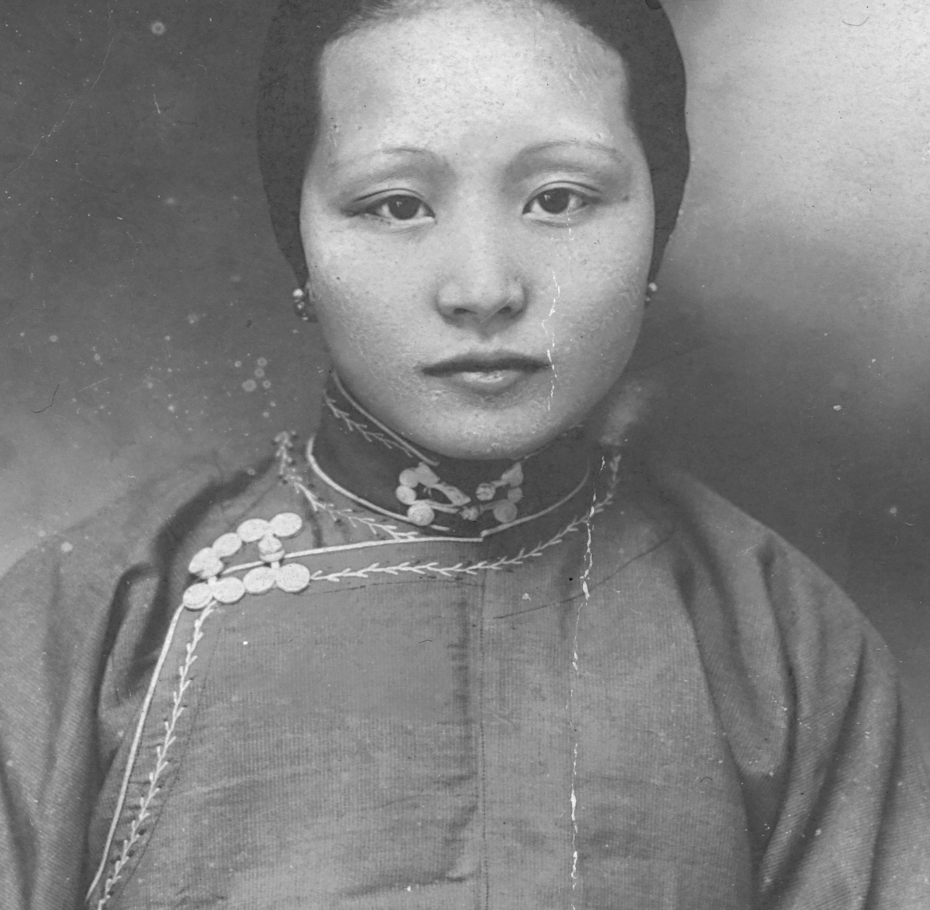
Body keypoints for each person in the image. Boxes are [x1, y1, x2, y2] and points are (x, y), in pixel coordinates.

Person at [1, 0, 927, 907]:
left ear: (660, 219)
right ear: (301, 244)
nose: (484, 287)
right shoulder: (101, 617)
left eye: (559, 199)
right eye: (397, 204)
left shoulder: (780, 637)